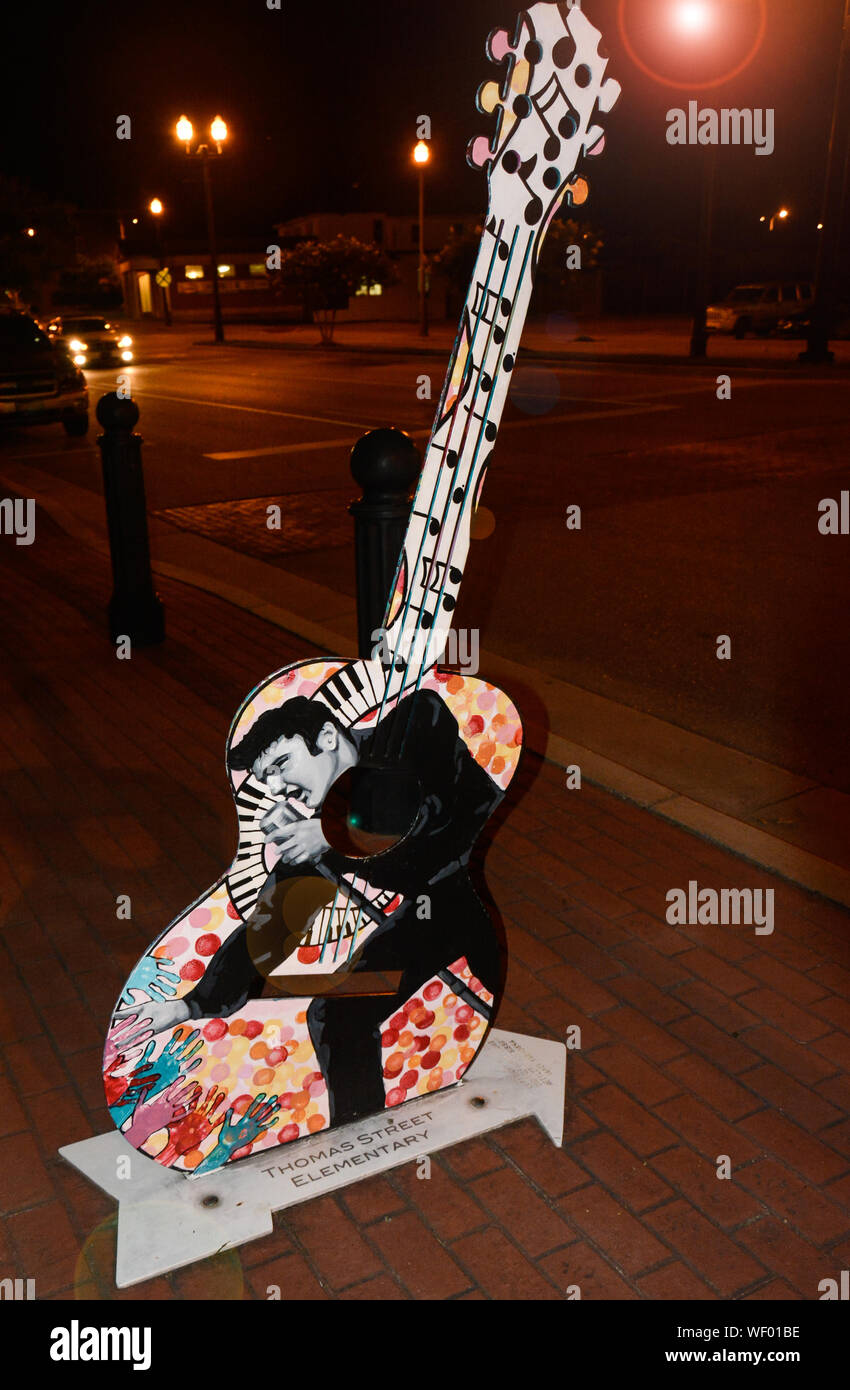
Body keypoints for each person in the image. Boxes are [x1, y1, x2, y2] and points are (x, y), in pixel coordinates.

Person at [116, 690, 505, 1126]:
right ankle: (361, 1132)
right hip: (438, 909)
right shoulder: (319, 827)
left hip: (501, 879)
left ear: (328, 736)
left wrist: (332, 831)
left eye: (281, 765)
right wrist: (190, 1005)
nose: (279, 787)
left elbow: (421, 806)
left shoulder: (414, 720)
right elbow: (272, 927)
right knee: (338, 1011)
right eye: (268, 779)